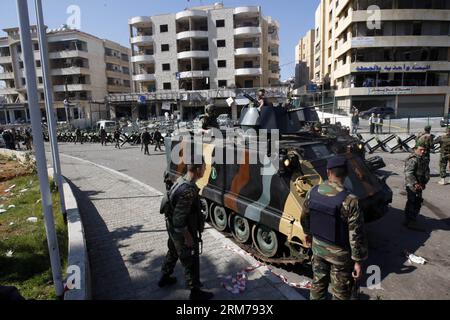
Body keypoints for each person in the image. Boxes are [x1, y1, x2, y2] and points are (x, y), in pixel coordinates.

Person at [301, 155, 367, 300]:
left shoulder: (313, 192)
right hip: (340, 257)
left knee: (318, 284)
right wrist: (358, 261)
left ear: (328, 171)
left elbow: (305, 217)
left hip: (318, 248)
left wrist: (307, 234)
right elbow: (356, 234)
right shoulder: (351, 200)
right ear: (346, 174)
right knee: (340, 293)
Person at [159, 160, 214, 301]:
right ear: (197, 169)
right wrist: (188, 236)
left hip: (171, 226)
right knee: (190, 259)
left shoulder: (181, 179)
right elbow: (179, 220)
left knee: (173, 251)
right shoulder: (188, 190)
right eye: (204, 167)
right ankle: (195, 291)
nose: (205, 169)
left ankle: (165, 276)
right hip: (181, 230)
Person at [404, 141, 430, 232]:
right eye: (421, 149)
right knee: (413, 202)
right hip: (412, 185)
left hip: (420, 185)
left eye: (424, 150)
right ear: (416, 149)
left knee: (416, 202)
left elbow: (426, 171)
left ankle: (409, 220)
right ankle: (411, 221)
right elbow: (409, 173)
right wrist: (415, 184)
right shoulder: (412, 159)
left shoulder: (423, 158)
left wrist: (424, 182)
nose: (423, 151)